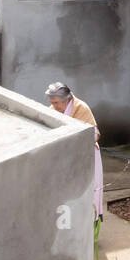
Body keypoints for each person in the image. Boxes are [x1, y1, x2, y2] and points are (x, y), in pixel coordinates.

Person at [45, 82, 104, 220]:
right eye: (52, 102)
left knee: (87, 191)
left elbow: (94, 134)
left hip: (85, 155)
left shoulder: (81, 108)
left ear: (67, 100)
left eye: (57, 102)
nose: (54, 106)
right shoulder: (53, 109)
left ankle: (90, 225)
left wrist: (72, 142)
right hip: (64, 158)